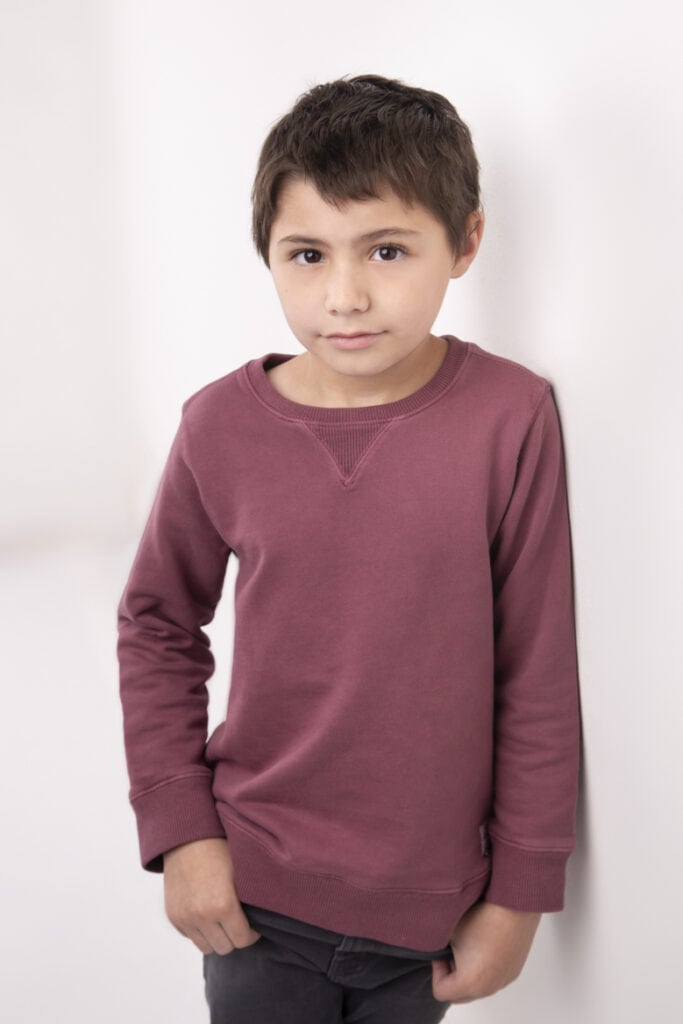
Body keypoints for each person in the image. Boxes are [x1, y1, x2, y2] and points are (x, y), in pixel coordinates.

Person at [116, 74, 581, 1023]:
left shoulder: (509, 418)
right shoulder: (218, 426)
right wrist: (182, 835)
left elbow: (536, 664)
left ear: (465, 242)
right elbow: (158, 623)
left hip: (432, 914)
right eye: (305, 254)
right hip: (255, 899)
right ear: (268, 258)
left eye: (386, 249)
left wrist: (522, 894)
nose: (345, 295)